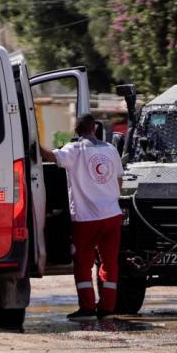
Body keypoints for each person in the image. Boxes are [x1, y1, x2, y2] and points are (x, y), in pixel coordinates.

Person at [40, 114, 124, 320]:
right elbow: (119, 180)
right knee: (110, 263)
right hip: (112, 215)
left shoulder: (74, 150)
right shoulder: (110, 149)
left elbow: (50, 157)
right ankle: (107, 308)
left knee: (83, 263)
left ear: (76, 131)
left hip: (86, 218)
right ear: (94, 129)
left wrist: (32, 142)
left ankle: (87, 308)